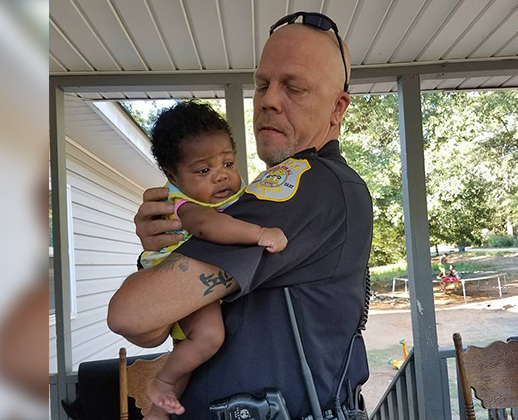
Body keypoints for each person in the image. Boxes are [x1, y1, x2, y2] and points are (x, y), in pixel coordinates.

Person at [108, 12, 372, 420]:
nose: (268, 100)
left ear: (337, 108)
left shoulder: (306, 185)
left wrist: (158, 275)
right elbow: (149, 329)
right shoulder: (252, 198)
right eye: (263, 84)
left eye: (294, 87)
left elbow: (129, 312)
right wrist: (158, 252)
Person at [138, 101, 288, 415]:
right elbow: (209, 227)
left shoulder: (230, 195)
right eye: (204, 170)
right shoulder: (182, 205)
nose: (221, 177)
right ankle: (162, 382)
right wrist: (260, 232)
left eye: (228, 163)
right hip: (177, 280)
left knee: (191, 354)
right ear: (173, 176)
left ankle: (158, 409)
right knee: (208, 337)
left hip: (199, 285)